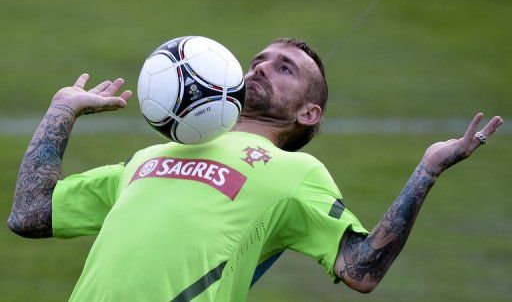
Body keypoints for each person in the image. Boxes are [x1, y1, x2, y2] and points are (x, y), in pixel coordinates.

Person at [7, 38, 503, 301]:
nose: (260, 67)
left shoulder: (296, 171)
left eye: (284, 68)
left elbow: (361, 269)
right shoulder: (151, 157)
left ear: (308, 114)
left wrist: (427, 171)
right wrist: (60, 110)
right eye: (258, 60)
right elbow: (30, 214)